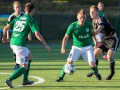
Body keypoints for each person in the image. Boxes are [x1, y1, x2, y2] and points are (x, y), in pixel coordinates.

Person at [2, 2, 51, 88]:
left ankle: (25, 80)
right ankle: (9, 80)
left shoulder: (18, 18)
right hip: (20, 44)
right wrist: (46, 45)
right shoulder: (31, 20)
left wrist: (4, 38)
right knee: (24, 67)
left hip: (13, 42)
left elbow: (5, 28)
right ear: (33, 10)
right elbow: (37, 34)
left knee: (29, 56)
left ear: (25, 10)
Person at [56, 9, 101, 82]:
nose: (82, 19)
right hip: (76, 48)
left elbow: (92, 34)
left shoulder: (88, 25)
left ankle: (95, 71)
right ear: (77, 17)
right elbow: (65, 37)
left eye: (84, 17)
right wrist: (63, 47)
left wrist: (95, 41)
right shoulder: (73, 26)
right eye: (80, 17)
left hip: (88, 48)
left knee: (92, 64)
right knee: (69, 62)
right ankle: (61, 77)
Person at [87, 5, 119, 80]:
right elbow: (94, 34)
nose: (91, 13)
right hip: (104, 40)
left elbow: (98, 30)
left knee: (109, 56)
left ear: (97, 12)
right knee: (94, 56)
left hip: (112, 39)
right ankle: (95, 70)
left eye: (93, 12)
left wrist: (93, 33)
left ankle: (112, 73)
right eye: (90, 12)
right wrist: (95, 42)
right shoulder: (93, 21)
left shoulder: (101, 19)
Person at [7, 1, 32, 70]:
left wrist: (29, 35)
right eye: (16, 7)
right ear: (14, 8)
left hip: (23, 36)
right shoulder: (11, 17)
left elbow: (28, 26)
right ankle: (18, 64)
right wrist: (7, 36)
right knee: (15, 51)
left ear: (21, 7)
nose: (18, 8)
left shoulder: (24, 15)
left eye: (19, 7)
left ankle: (24, 64)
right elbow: (7, 28)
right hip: (15, 36)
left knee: (25, 50)